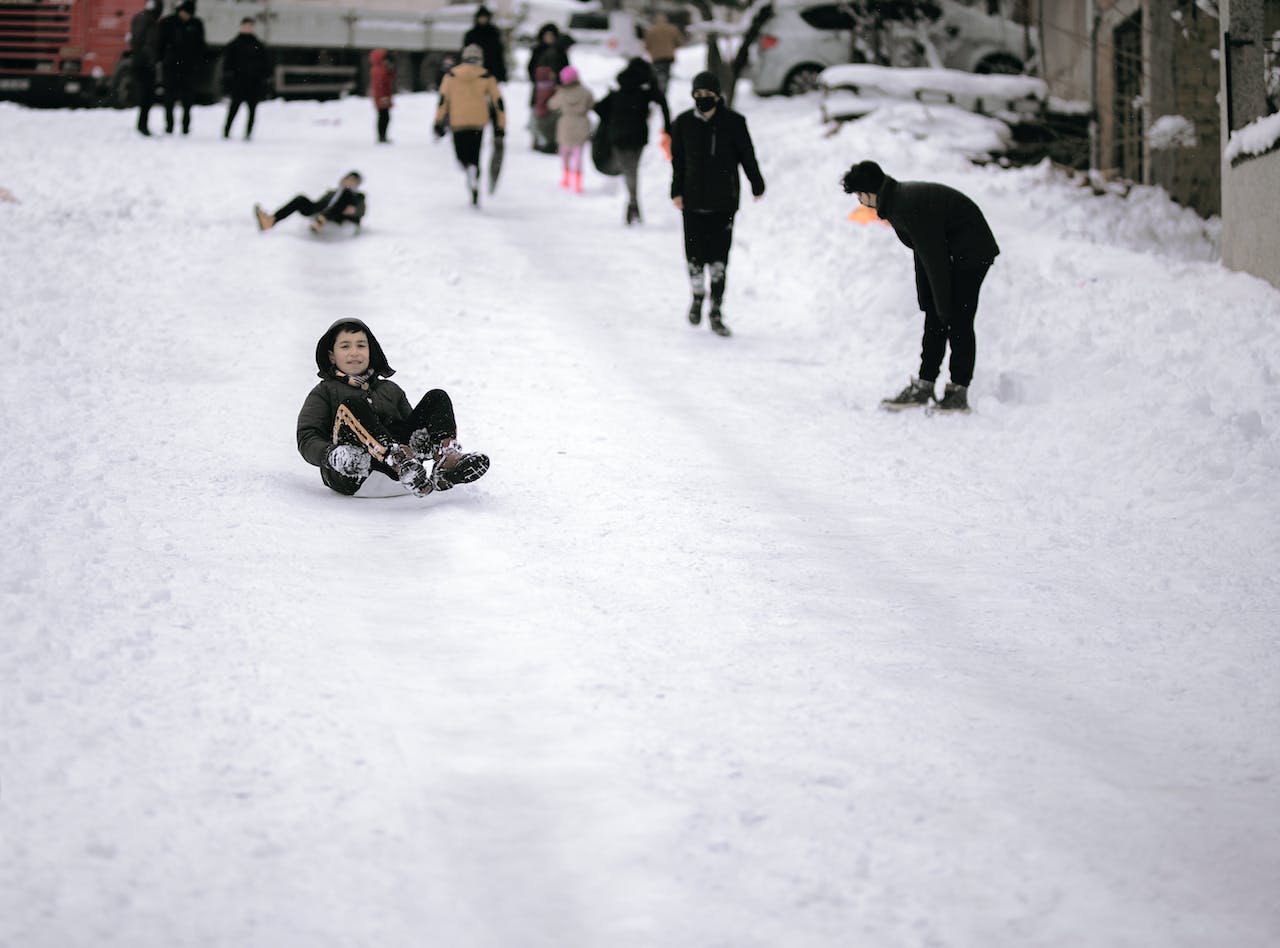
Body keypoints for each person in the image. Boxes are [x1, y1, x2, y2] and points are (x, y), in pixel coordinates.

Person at [841, 160, 1000, 413]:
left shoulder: (904, 204)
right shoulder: (894, 201)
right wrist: (928, 299)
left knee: (958, 318)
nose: (860, 201)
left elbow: (934, 257)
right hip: (952, 250)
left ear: (871, 192)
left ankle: (958, 391)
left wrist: (943, 307)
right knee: (936, 314)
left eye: (860, 195)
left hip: (972, 250)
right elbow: (923, 252)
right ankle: (924, 385)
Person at [297, 319, 490, 498]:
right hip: (355, 473)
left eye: (361, 346)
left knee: (437, 396)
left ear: (371, 351)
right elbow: (307, 436)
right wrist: (332, 455)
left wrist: (423, 442)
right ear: (331, 356)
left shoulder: (390, 389)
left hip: (402, 473)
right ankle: (396, 459)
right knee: (352, 405)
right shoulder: (325, 391)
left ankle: (445, 462)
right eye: (345, 346)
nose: (354, 352)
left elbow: (409, 427)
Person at [669, 71, 765, 338]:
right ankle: (697, 296)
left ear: (717, 96)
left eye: (707, 95)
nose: (702, 99)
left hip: (724, 203)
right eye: (697, 95)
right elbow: (678, 161)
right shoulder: (684, 123)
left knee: (720, 259)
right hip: (692, 202)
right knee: (695, 257)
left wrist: (756, 183)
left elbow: (747, 155)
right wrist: (676, 191)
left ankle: (716, 310)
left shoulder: (734, 123)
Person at [594, 57, 671, 224]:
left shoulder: (618, 92)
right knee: (632, 169)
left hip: (618, 135)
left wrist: (613, 116)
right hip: (638, 136)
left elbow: (598, 108)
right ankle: (634, 204)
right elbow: (663, 102)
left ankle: (633, 204)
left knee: (629, 171)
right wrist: (667, 127)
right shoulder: (646, 92)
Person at [434, 44, 506, 206]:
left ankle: (467, 168)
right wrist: (500, 126)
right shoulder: (487, 76)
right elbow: (498, 103)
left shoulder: (451, 75)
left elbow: (443, 101)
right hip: (478, 122)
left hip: (457, 121)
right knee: (475, 152)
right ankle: (473, 170)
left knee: (461, 154)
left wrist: (438, 122)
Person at [254, 171, 366, 233]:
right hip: (321, 212)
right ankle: (271, 221)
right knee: (301, 199)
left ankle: (322, 220)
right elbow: (319, 204)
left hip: (338, 218)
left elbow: (361, 210)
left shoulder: (357, 196)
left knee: (345, 194)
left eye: (353, 181)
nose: (349, 183)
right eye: (347, 179)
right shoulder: (332, 193)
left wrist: (355, 210)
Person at [158, 0, 207, 135]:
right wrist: (162, 59)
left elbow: (201, 46)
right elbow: (160, 44)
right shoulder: (168, 23)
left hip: (188, 68)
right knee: (169, 98)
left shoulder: (196, 24)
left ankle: (185, 126)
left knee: (188, 99)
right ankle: (169, 125)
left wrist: (198, 63)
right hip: (171, 67)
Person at [221, 17, 269, 140]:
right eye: (246, 26)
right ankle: (226, 131)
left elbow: (265, 64)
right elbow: (227, 66)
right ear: (241, 26)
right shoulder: (233, 45)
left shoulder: (258, 45)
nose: (248, 28)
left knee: (252, 111)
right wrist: (229, 81)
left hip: (253, 83)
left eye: (250, 26)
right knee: (233, 109)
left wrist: (263, 80)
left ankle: (248, 133)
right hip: (239, 82)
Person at [548, 65, 593, 194]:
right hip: (581, 123)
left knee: (565, 153)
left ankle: (566, 178)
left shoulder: (562, 93)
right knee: (578, 155)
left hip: (566, 124)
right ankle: (578, 183)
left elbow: (552, 105)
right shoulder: (585, 91)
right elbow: (591, 104)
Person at [527, 23, 569, 154]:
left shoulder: (560, 52)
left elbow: (566, 69)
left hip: (556, 88)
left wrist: (558, 81)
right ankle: (536, 139)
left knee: (555, 114)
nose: (549, 38)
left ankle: (553, 140)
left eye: (551, 36)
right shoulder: (538, 50)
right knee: (538, 111)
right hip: (540, 88)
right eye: (547, 35)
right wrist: (540, 79)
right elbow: (530, 68)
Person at [127, 0, 162, 136]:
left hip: (139, 62)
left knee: (144, 95)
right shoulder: (150, 22)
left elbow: (136, 41)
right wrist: (152, 60)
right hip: (145, 64)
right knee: (147, 96)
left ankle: (142, 124)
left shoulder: (139, 18)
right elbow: (147, 44)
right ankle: (143, 125)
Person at [463, 5, 507, 83]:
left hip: (492, 69)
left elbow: (499, 53)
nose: (483, 19)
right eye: (481, 17)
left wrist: (502, 73)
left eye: (484, 17)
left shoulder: (494, 33)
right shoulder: (471, 34)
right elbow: (465, 53)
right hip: (474, 70)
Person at [642, 12, 682, 97]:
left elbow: (646, 46)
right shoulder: (672, 29)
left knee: (658, 76)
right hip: (668, 56)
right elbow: (678, 43)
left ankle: (659, 93)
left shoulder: (650, 31)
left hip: (656, 58)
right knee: (666, 75)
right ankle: (664, 93)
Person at [368, 48, 394, 143]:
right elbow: (380, 85)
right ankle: (382, 136)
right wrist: (383, 98)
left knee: (383, 116)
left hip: (382, 96)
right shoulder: (379, 70)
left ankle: (382, 136)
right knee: (384, 117)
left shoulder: (379, 69)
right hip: (382, 97)